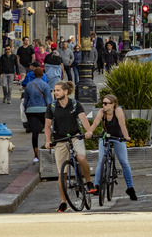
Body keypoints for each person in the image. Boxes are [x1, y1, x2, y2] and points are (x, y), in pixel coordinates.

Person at [45, 81, 95, 212]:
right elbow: (47, 125)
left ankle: (89, 182)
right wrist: (47, 140)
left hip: (75, 136)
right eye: (54, 91)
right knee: (62, 173)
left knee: (81, 158)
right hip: (60, 139)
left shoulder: (75, 104)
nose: (55, 93)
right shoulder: (52, 107)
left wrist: (88, 131)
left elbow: (83, 120)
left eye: (58, 90)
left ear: (65, 92)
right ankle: (63, 202)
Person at [88, 94, 137, 200]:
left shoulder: (118, 111)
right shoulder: (102, 112)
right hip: (105, 137)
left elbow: (122, 125)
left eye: (106, 103)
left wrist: (126, 137)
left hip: (118, 137)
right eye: (103, 103)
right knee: (101, 160)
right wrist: (89, 132)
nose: (103, 105)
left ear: (113, 104)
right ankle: (97, 185)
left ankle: (130, 188)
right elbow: (95, 123)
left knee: (124, 162)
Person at [23, 67, 52, 163]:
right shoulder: (46, 85)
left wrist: (26, 109)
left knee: (34, 133)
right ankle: (48, 149)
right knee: (49, 130)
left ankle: (36, 155)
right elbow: (48, 101)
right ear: (42, 74)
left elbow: (25, 101)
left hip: (31, 111)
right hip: (43, 110)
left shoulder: (29, 85)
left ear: (34, 75)